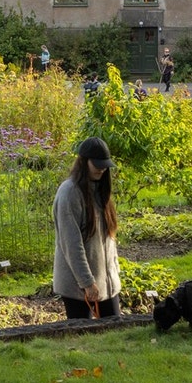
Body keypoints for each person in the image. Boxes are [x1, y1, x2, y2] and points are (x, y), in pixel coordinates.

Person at [52, 137, 121, 320]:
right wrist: (88, 283)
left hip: (106, 285)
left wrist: (113, 271)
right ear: (83, 162)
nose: (102, 168)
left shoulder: (100, 189)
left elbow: (108, 239)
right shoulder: (69, 193)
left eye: (105, 165)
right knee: (82, 341)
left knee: (115, 334)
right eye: (97, 164)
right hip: (78, 287)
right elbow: (71, 244)